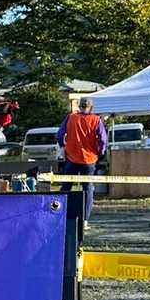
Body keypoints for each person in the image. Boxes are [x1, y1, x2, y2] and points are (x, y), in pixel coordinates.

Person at [57, 97, 107, 227]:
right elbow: (103, 139)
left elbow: (59, 135)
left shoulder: (70, 118)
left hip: (71, 157)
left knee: (66, 187)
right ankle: (85, 220)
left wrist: (63, 146)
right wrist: (100, 152)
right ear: (91, 107)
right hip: (89, 159)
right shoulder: (96, 120)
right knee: (88, 189)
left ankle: (59, 214)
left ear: (79, 106)